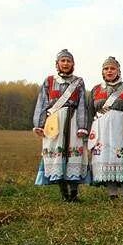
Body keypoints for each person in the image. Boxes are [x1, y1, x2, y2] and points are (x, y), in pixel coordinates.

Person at [32, 49, 89, 201]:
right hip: (53, 123)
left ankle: (74, 193)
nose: (65, 64)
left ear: (73, 64)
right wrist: (39, 123)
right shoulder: (49, 81)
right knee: (57, 156)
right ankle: (64, 193)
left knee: (74, 156)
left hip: (73, 120)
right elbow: (42, 103)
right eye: (62, 61)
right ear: (57, 64)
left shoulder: (79, 81)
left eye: (68, 61)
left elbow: (82, 104)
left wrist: (82, 126)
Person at [87, 56, 123, 201]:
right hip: (101, 132)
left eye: (112, 68)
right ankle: (112, 194)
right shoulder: (96, 89)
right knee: (106, 158)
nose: (109, 71)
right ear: (102, 72)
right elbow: (89, 113)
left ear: (118, 70)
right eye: (106, 69)